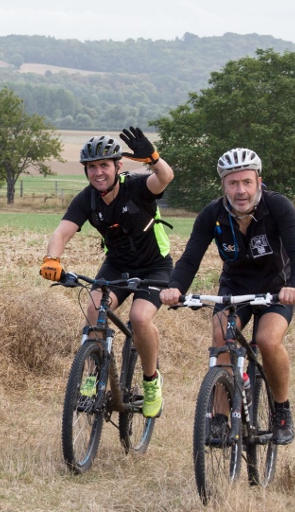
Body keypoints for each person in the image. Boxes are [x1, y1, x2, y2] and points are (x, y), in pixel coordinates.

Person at [160, 147, 295, 445]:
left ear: (258, 182)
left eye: (246, 182)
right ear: (224, 186)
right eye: (233, 183)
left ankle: (282, 410)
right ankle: (219, 417)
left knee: (267, 340)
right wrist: (175, 287)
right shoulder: (213, 214)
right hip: (235, 287)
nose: (240, 190)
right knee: (221, 338)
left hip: (276, 288)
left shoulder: (277, 206)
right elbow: (190, 258)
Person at [40, 127, 174, 418]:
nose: (98, 172)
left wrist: (153, 158)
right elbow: (62, 232)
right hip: (117, 265)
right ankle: (92, 375)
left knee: (140, 318)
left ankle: (151, 381)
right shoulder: (87, 199)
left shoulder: (136, 187)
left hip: (155, 266)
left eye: (104, 165)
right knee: (94, 308)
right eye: (92, 167)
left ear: (118, 166)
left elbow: (164, 177)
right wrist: (52, 259)